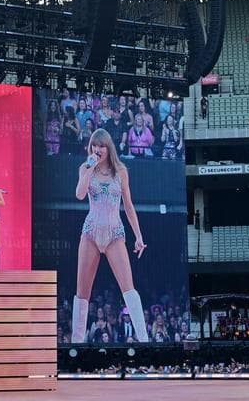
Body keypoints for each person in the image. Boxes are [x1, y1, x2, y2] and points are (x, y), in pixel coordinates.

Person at [71, 128, 149, 343]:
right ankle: (76, 344)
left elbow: (129, 206)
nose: (98, 150)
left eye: (101, 146)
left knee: (129, 287)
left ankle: (144, 341)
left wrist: (138, 237)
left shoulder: (121, 171)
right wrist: (89, 167)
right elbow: (79, 194)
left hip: (115, 233)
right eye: (94, 146)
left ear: (109, 147)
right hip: (91, 233)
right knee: (82, 292)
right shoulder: (85, 168)